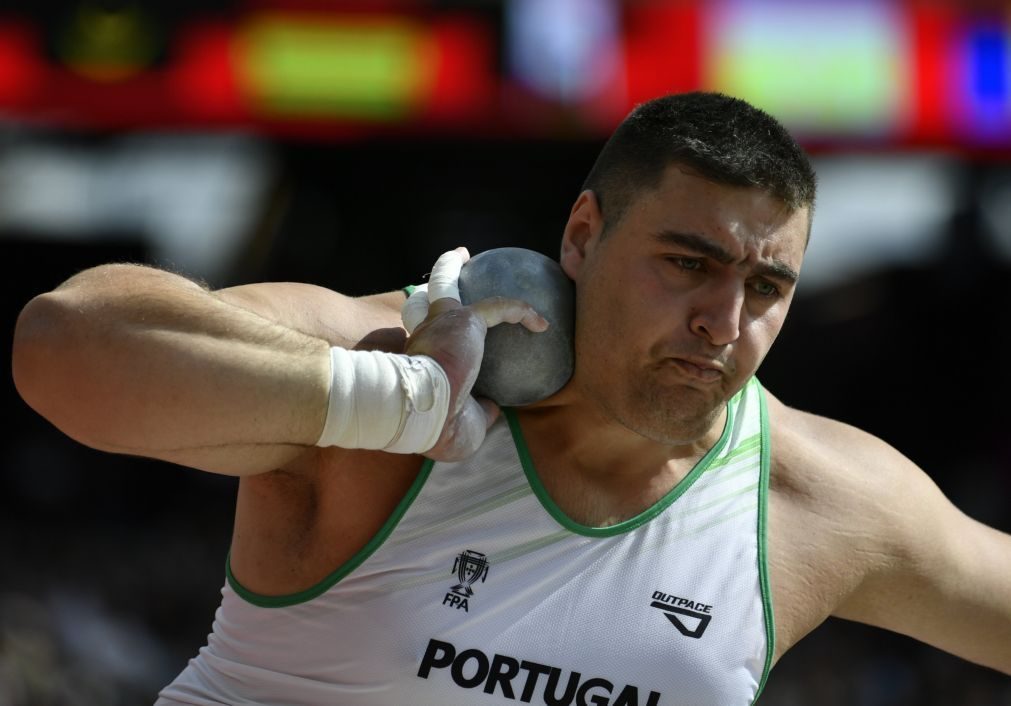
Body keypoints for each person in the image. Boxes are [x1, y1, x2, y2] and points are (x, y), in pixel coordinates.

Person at [11, 92, 1010, 706]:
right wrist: (397, 401)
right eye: (687, 263)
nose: (723, 320)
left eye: (766, 287)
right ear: (581, 237)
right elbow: (63, 348)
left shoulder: (816, 503)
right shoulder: (393, 359)